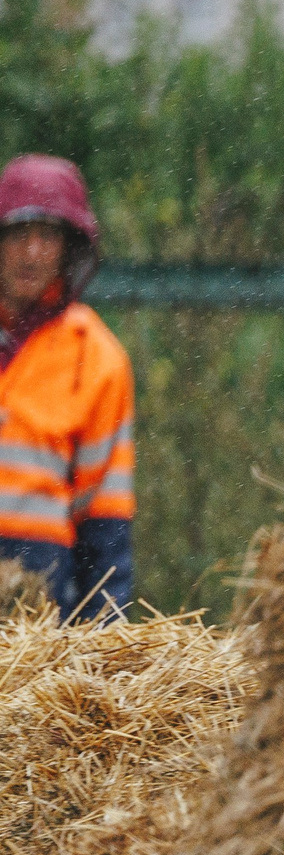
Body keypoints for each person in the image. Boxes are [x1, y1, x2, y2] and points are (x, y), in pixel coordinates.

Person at [0, 154, 132, 620]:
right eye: (18, 233)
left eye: (48, 235)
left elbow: (105, 520)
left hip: (40, 596)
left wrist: (108, 648)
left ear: (69, 247)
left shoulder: (97, 356)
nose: (32, 252)